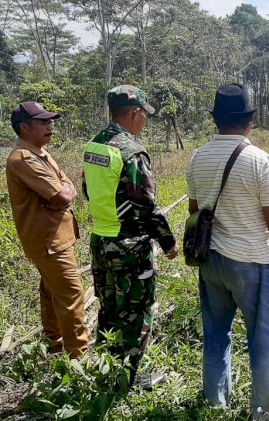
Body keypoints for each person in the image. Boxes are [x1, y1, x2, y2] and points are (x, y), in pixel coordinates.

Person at [185, 83, 269, 419]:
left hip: (211, 262)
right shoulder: (259, 160)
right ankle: (266, 407)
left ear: (215, 120)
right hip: (251, 262)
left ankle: (215, 401)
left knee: (216, 331)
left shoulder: (197, 157)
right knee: (265, 336)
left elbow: (195, 210)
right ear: (250, 120)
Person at [82, 85, 178, 389]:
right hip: (129, 247)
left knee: (109, 308)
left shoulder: (93, 146)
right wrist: (168, 241)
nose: (145, 121)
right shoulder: (131, 151)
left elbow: (87, 191)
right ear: (135, 113)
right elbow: (146, 206)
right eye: (144, 115)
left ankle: (105, 371)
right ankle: (127, 380)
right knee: (136, 313)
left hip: (100, 241)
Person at [6, 101, 89, 358]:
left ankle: (55, 342)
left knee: (51, 291)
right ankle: (80, 356)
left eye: (49, 121)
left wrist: (64, 189)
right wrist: (64, 190)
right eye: (43, 122)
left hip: (55, 239)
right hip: (47, 242)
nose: (50, 126)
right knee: (71, 294)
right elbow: (63, 195)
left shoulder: (41, 153)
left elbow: (66, 186)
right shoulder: (23, 159)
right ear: (24, 128)